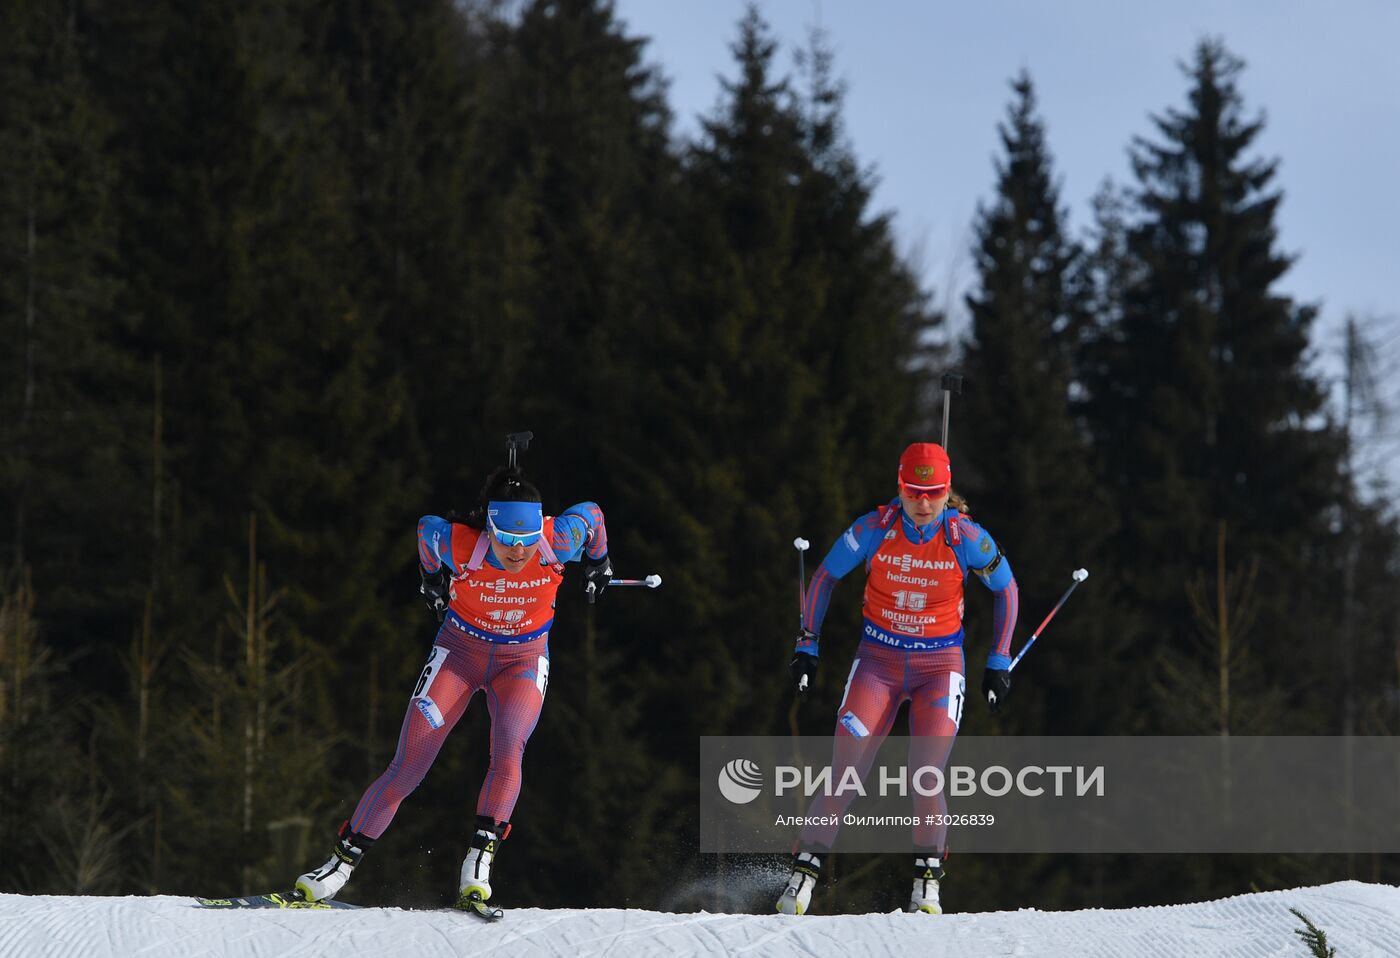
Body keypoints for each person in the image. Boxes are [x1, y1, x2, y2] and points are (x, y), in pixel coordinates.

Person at [294, 463, 613, 908]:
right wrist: (431, 579)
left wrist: (598, 562)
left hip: (521, 662)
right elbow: (426, 531)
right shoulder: (461, 543)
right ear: (491, 527)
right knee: (408, 766)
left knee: (509, 748)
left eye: (525, 542)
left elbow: (593, 515)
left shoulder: (558, 538)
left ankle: (478, 864)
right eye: (506, 541)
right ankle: (338, 866)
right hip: (459, 657)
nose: (517, 552)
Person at [776, 442, 1018, 916]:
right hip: (878, 664)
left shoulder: (965, 535)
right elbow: (824, 577)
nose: (923, 503)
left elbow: (1006, 589)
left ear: (947, 491)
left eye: (933, 493)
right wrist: (808, 645)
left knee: (925, 776)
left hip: (940, 668)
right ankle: (803, 874)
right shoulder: (873, 529)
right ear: (899, 486)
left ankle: (927, 883)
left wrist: (999, 660)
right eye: (913, 492)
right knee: (845, 767)